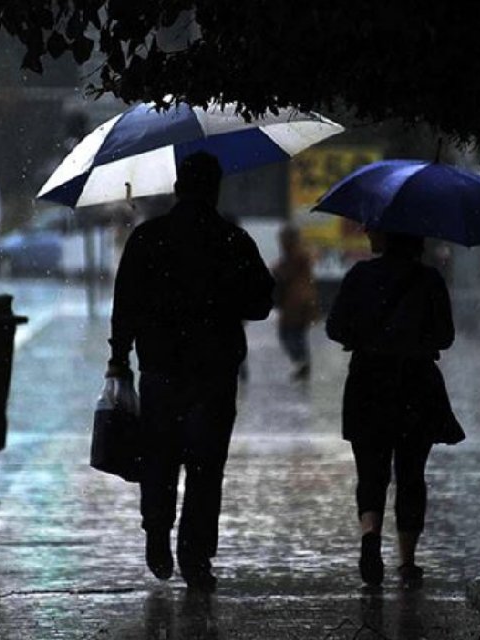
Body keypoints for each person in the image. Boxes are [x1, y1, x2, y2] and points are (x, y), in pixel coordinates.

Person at [105, 151, 275, 591]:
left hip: (160, 370)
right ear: (215, 189)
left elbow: (125, 305)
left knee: (159, 458)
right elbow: (260, 303)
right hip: (214, 375)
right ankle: (195, 555)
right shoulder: (232, 241)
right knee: (205, 467)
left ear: (178, 187)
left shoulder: (147, 239)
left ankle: (157, 535)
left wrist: (119, 356)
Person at [325, 228, 457, 589]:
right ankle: (408, 560)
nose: (367, 232)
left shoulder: (360, 276)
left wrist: (364, 337)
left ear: (385, 236)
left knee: (371, 470)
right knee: (411, 474)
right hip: (416, 385)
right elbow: (445, 336)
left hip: (368, 383)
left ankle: (370, 534)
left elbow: (334, 327)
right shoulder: (430, 280)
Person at [271, 223, 318, 381]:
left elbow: (285, 273)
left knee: (288, 334)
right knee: (297, 334)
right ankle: (303, 364)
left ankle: (302, 363)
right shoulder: (298, 253)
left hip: (296, 302)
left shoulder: (296, 254)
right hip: (303, 300)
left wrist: (277, 269)